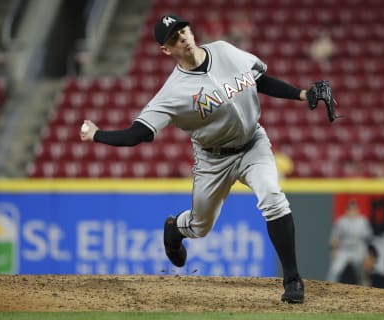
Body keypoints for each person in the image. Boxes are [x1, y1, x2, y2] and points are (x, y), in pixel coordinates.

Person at [80, 13, 332, 303]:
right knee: (200, 227)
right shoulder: (173, 92)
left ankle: (292, 281)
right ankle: (175, 230)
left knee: (273, 198)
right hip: (213, 161)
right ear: (166, 50)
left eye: (183, 30)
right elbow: (138, 134)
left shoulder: (224, 51)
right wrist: (97, 134)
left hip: (254, 145)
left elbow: (259, 79)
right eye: (174, 38)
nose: (182, 38)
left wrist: (302, 94)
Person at [327, 200, 373, 286]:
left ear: (357, 210)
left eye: (354, 209)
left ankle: (366, 290)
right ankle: (328, 288)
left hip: (358, 249)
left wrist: (368, 254)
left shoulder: (362, 221)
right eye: (350, 210)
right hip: (344, 249)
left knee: (363, 272)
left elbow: (368, 239)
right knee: (335, 270)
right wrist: (334, 250)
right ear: (347, 211)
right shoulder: (341, 221)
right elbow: (335, 237)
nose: (352, 212)